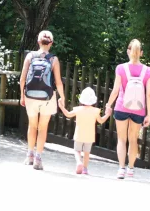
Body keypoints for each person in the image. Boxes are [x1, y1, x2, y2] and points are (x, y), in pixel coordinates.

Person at [105, 39, 150, 179]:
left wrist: (108, 104)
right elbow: (148, 94)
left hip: (122, 106)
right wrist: (148, 114)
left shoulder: (121, 68)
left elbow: (115, 90)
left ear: (128, 51)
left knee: (121, 139)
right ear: (141, 53)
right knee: (133, 139)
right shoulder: (148, 71)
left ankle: (121, 169)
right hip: (139, 110)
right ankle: (131, 169)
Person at [19, 30, 65, 170]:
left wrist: (22, 95)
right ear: (51, 43)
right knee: (42, 128)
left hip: (30, 96)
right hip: (47, 97)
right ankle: (38, 158)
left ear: (38, 41)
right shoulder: (53, 59)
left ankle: (29, 156)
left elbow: (22, 79)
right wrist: (62, 97)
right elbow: (58, 82)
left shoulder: (30, 56)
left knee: (32, 126)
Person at [59, 87, 111, 175]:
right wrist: (108, 114)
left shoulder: (78, 109)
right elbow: (101, 121)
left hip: (79, 134)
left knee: (77, 150)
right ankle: (85, 168)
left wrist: (61, 107)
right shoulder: (95, 111)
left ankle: (79, 162)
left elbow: (68, 114)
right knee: (87, 153)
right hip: (90, 135)